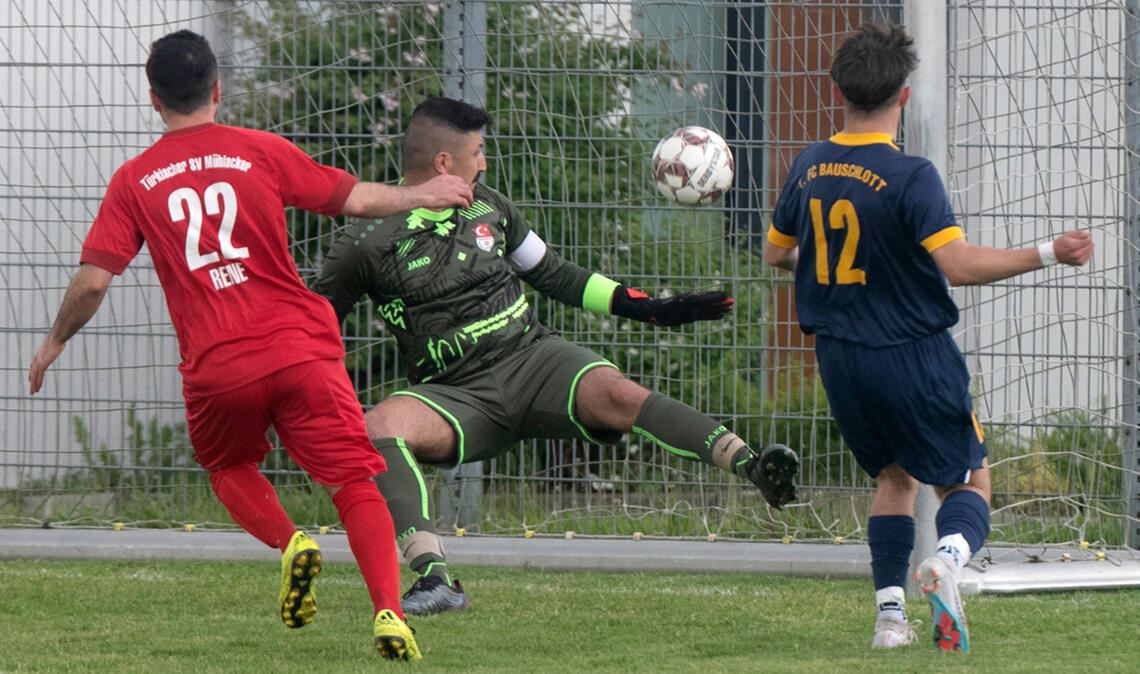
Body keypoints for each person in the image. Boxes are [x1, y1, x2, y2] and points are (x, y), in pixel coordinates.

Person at [26, 30, 476, 661]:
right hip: (300, 349)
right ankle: (389, 613)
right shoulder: (259, 150)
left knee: (229, 468)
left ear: (153, 99)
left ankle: (292, 543)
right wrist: (420, 195)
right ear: (217, 90)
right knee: (354, 481)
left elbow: (94, 281)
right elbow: (352, 198)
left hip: (219, 366)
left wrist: (54, 341)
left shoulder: (134, 180)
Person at [313, 95, 801, 616]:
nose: (484, 163)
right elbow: (314, 323)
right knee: (380, 425)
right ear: (443, 163)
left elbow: (554, 275)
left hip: (533, 360)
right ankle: (435, 579)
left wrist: (651, 309)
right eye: (477, 152)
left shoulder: (489, 206)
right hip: (454, 394)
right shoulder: (367, 241)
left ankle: (752, 466)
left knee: (619, 393)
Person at [764, 23, 1093, 653]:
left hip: (840, 358)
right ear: (905, 96)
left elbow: (777, 253)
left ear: (836, 91)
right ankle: (946, 561)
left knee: (894, 477)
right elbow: (958, 265)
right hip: (912, 355)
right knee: (968, 481)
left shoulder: (808, 165)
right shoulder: (910, 174)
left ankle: (890, 621)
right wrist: (1049, 252)